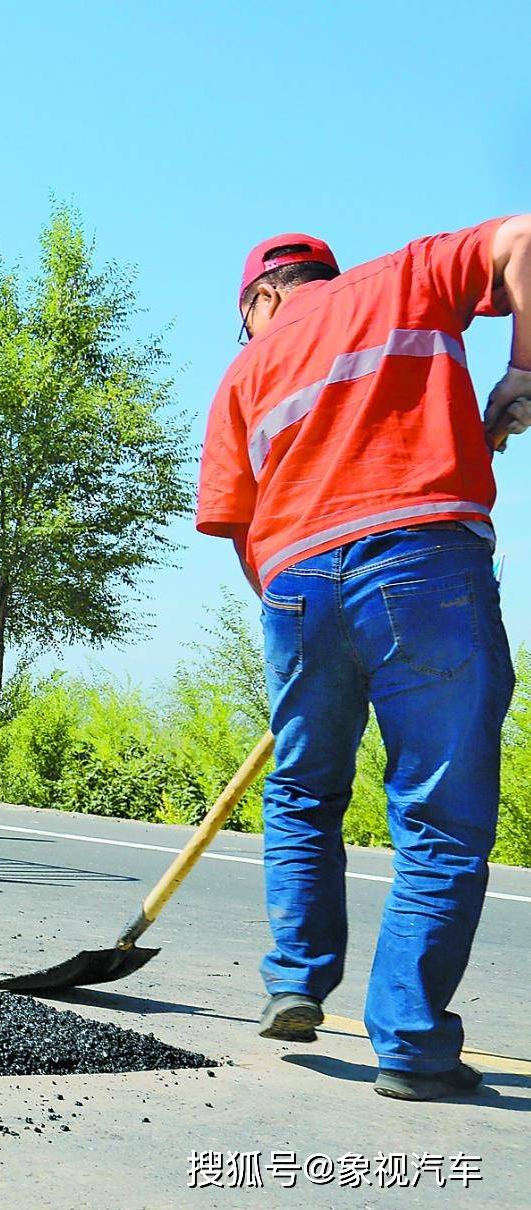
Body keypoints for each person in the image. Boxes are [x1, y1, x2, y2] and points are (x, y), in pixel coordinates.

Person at [198, 216, 531, 1101]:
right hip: (424, 564)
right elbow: (526, 237)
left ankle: (296, 980)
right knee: (437, 815)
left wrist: (302, 631)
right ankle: (414, 1047)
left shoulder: (244, 370)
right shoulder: (406, 278)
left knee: (305, 790)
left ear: (263, 296)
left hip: (297, 586)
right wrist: (523, 373)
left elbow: (237, 525)